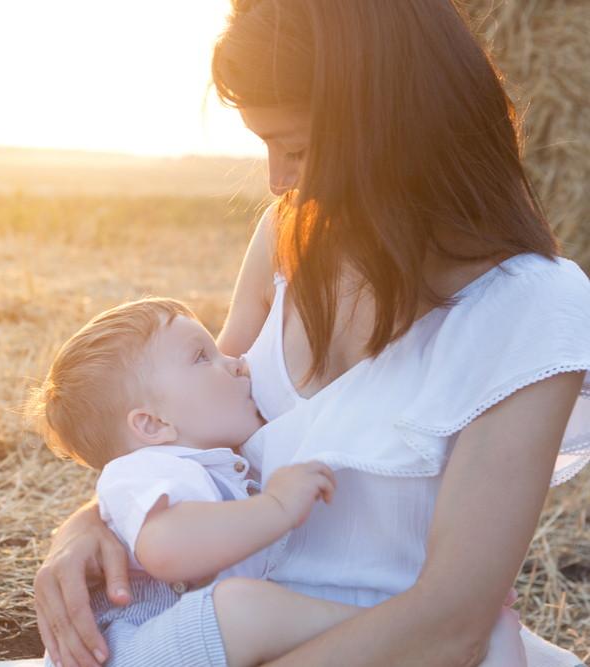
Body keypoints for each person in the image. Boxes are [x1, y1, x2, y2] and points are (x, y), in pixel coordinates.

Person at [31, 1, 590, 666]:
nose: (276, 181)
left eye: (294, 147)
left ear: (391, 124)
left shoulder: (532, 307)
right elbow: (183, 428)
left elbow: (450, 624)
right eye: (265, 146)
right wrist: (89, 524)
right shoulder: (286, 237)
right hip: (221, 643)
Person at [28, 296, 360, 667]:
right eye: (202, 356)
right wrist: (276, 507)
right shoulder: (144, 468)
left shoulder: (208, 465)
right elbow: (166, 547)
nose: (238, 363)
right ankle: (383, 629)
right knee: (241, 609)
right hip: (129, 643)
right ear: (152, 424)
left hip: (176, 643)